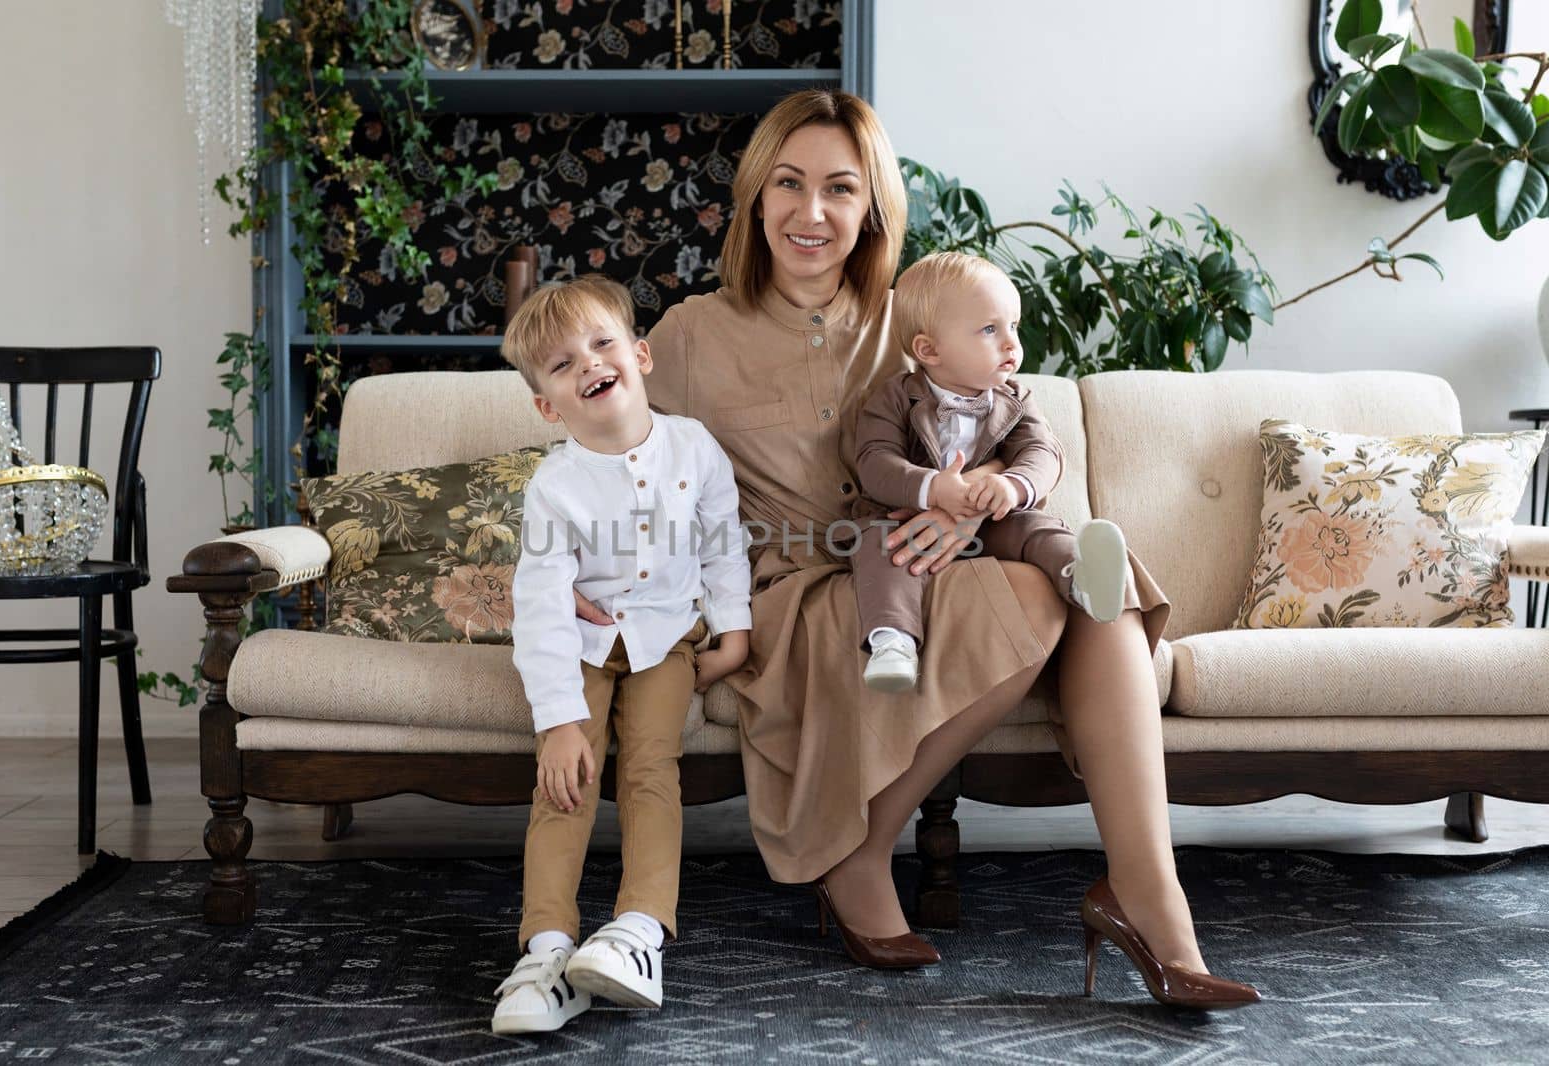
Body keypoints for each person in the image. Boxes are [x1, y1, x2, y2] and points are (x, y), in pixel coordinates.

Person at [627, 88, 1258, 1008]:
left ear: (873, 206)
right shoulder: (686, 335)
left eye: (841, 189)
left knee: (1097, 587)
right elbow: (624, 464)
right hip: (799, 589)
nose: (812, 213)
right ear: (756, 197)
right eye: (789, 185)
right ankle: (865, 846)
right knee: (1045, 595)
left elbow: (1019, 437)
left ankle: (1150, 901)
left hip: (944, 562)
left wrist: (966, 513)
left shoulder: (920, 315)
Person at [491, 275, 753, 1034]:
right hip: (581, 643)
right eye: (562, 365)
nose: (588, 364)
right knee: (565, 782)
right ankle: (545, 950)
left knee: (649, 770)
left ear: (639, 355)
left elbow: (721, 543)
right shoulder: (555, 486)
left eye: (602, 344)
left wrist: (732, 633)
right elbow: (541, 606)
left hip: (666, 638)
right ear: (549, 404)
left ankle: (639, 932)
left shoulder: (694, 447)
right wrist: (560, 721)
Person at [849, 251, 1133, 692]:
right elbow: (874, 463)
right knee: (879, 547)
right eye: (989, 329)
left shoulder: (1015, 398)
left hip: (993, 524)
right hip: (910, 522)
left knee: (1038, 528)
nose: (1011, 344)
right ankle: (893, 643)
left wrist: (1011, 485)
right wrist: (930, 487)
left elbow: (1044, 452)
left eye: (1013, 327)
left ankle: (1084, 580)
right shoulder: (893, 398)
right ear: (928, 350)